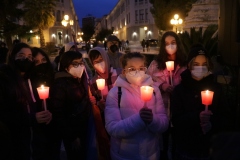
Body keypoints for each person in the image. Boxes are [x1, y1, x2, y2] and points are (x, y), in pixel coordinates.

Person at [171, 44, 232, 160]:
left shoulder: (216, 88)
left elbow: (225, 118)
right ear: (189, 65)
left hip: (210, 148)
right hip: (186, 149)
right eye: (196, 64)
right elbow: (176, 120)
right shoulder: (180, 90)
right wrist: (197, 116)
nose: (201, 68)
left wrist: (211, 124)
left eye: (204, 65)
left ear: (209, 66)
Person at [105, 52, 169, 160]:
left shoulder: (154, 90)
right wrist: (139, 119)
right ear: (124, 72)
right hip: (124, 155)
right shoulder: (115, 93)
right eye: (132, 69)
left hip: (151, 154)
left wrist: (153, 120)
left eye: (141, 68)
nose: (137, 72)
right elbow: (113, 128)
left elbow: (164, 123)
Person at [0, 43, 52, 160]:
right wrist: (31, 118)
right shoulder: (4, 79)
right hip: (13, 141)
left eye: (29, 56)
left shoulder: (28, 79)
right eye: (21, 55)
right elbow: (4, 114)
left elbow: (33, 106)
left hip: (31, 140)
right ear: (12, 56)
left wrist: (45, 114)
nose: (26, 59)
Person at [48, 51, 97, 160]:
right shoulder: (60, 85)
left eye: (81, 63)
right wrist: (72, 137)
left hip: (82, 128)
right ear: (66, 65)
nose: (79, 66)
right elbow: (59, 114)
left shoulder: (76, 80)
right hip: (73, 132)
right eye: (75, 64)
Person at [147, 30, 187, 160]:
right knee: (162, 145)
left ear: (178, 44)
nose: (170, 46)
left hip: (179, 111)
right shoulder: (155, 64)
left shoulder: (184, 65)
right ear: (163, 46)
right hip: (162, 111)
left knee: (178, 144)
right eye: (167, 43)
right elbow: (147, 81)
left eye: (173, 42)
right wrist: (162, 86)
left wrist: (179, 89)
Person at [28, 47, 54, 160]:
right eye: (36, 62)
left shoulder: (53, 77)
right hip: (35, 131)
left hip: (53, 128)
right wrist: (34, 117)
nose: (41, 64)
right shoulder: (27, 82)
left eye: (43, 60)